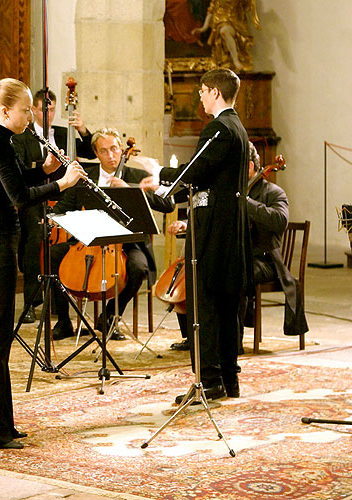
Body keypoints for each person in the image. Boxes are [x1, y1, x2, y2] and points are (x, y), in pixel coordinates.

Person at [0, 78, 85, 449]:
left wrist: (48, 171)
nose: (31, 115)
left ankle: (0, 424)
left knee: (0, 336)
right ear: (4, 111)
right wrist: (62, 184)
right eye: (25, 109)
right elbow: (18, 196)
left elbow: (15, 181)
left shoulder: (0, 142)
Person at [143, 68, 252, 403]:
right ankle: (228, 379)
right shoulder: (239, 128)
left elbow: (194, 172)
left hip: (213, 227)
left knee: (203, 304)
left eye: (203, 92)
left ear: (214, 92)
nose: (201, 98)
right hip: (229, 224)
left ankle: (208, 381)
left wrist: (157, 172)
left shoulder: (218, 128)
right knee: (225, 303)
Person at [169, 142, 308, 357]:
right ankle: (195, 336)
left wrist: (245, 202)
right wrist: (187, 225)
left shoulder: (274, 192)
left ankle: (233, 343)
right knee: (195, 270)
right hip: (234, 255)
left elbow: (279, 221)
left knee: (235, 273)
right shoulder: (229, 192)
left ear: (250, 166)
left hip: (264, 261)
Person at [50, 128, 175, 341]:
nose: (111, 156)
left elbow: (168, 204)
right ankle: (64, 321)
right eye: (104, 151)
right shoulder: (84, 178)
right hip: (88, 241)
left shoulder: (137, 177)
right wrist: (52, 216)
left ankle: (109, 316)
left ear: (121, 150)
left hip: (128, 244)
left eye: (115, 149)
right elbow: (63, 206)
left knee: (138, 268)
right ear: (96, 154)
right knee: (52, 256)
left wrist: (134, 192)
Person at [11, 89, 96, 322]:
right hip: (36, 197)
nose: (48, 112)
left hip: (66, 197)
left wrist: (83, 131)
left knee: (70, 241)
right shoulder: (21, 136)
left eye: (52, 108)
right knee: (34, 239)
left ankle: (61, 299)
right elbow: (21, 171)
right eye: (43, 109)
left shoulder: (62, 132)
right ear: (34, 111)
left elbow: (90, 153)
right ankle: (30, 302)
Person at [193, 0, 261, 72]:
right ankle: (234, 61)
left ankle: (235, 60)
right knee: (224, 31)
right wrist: (203, 28)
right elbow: (211, 11)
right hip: (219, 23)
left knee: (225, 31)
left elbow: (247, 4)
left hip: (235, 23)